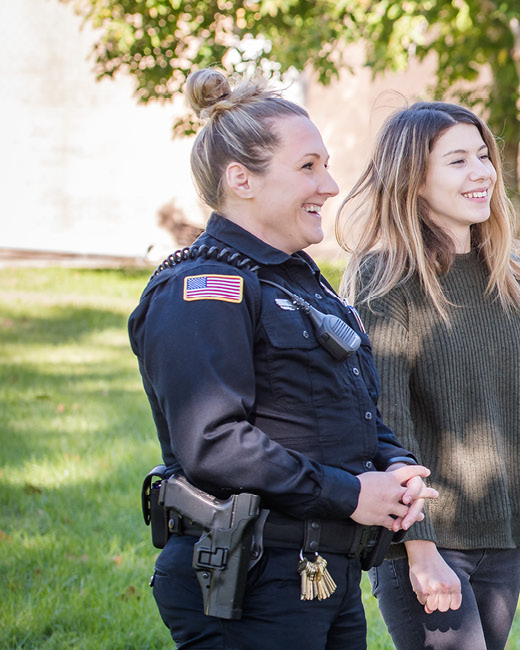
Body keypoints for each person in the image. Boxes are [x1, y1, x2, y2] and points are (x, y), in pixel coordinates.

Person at [130, 68, 438, 648]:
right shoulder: (203, 289)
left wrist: (394, 466)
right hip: (250, 579)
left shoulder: (300, 285)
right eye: (308, 167)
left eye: (324, 164)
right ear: (241, 179)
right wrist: (352, 494)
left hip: (324, 572)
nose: (329, 183)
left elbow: (351, 412)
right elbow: (214, 441)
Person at [338, 101, 520, 650]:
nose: (483, 172)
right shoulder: (385, 280)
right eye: (458, 161)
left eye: (483, 156)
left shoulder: (512, 280)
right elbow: (387, 425)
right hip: (423, 539)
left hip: (501, 536)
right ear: (413, 178)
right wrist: (420, 547)